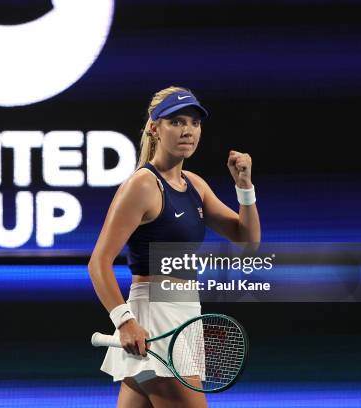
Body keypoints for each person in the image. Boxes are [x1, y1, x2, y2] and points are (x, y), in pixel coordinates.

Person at [88, 86, 261, 408]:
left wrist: (244, 188)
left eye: (194, 123)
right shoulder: (142, 185)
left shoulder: (195, 185)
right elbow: (99, 262)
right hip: (155, 319)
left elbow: (247, 240)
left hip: (183, 316)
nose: (188, 131)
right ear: (155, 128)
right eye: (177, 122)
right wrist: (125, 322)